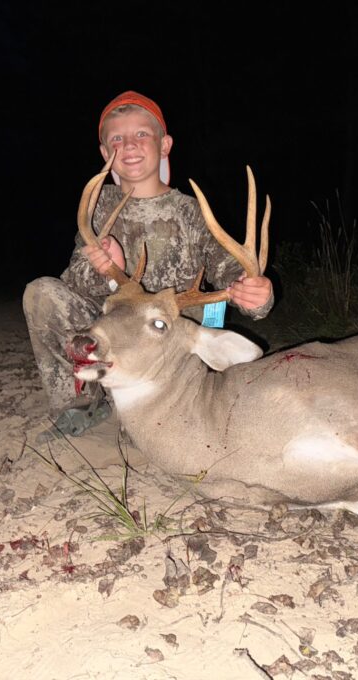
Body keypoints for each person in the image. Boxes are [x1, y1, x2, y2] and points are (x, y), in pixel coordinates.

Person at [23, 90, 274, 440]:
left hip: (165, 343)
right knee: (41, 294)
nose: (129, 145)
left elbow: (232, 271)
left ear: (164, 145)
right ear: (105, 153)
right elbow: (74, 281)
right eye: (117, 139)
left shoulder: (191, 212)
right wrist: (105, 271)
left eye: (141, 134)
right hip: (117, 330)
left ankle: (161, 409)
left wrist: (256, 294)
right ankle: (81, 405)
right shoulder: (99, 208)